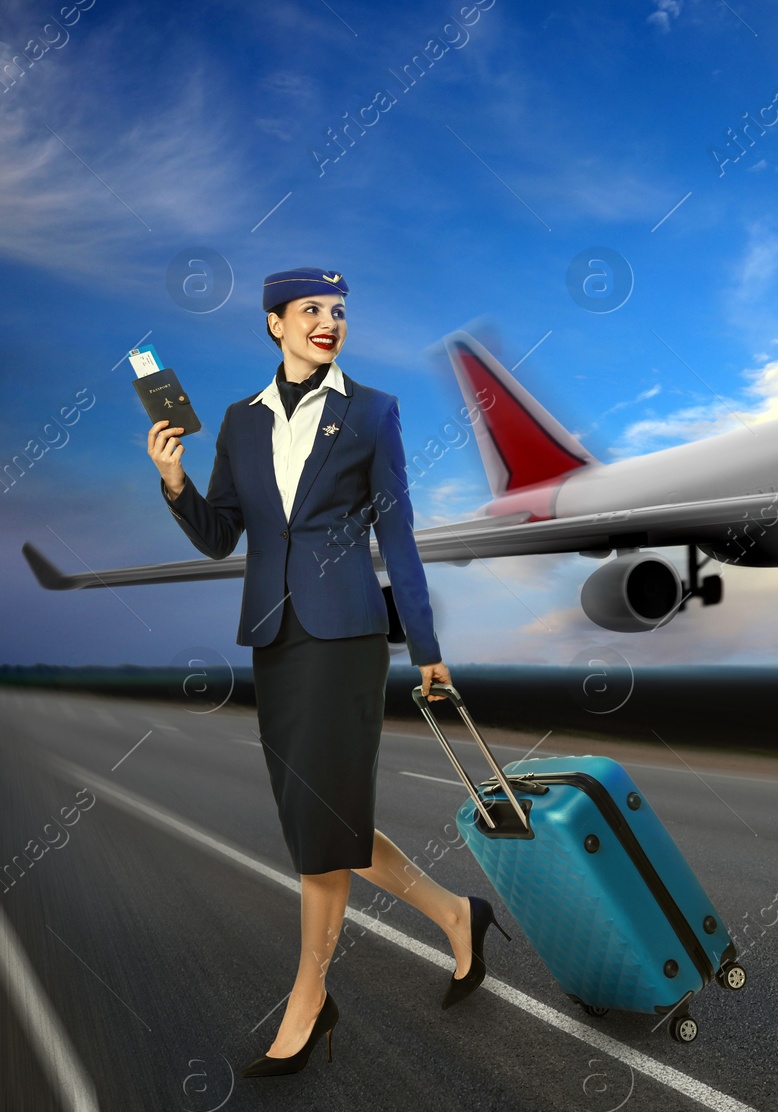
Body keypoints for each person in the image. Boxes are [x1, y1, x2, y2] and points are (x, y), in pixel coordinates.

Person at [145, 267, 508, 1078]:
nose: (328, 322)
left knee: (320, 830)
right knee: (322, 821)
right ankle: (456, 914)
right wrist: (173, 480)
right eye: (311, 310)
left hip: (345, 636)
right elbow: (219, 536)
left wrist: (426, 649)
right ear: (275, 323)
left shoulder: (374, 411)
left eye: (339, 311)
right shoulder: (240, 423)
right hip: (275, 636)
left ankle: (308, 999)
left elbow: (401, 536)